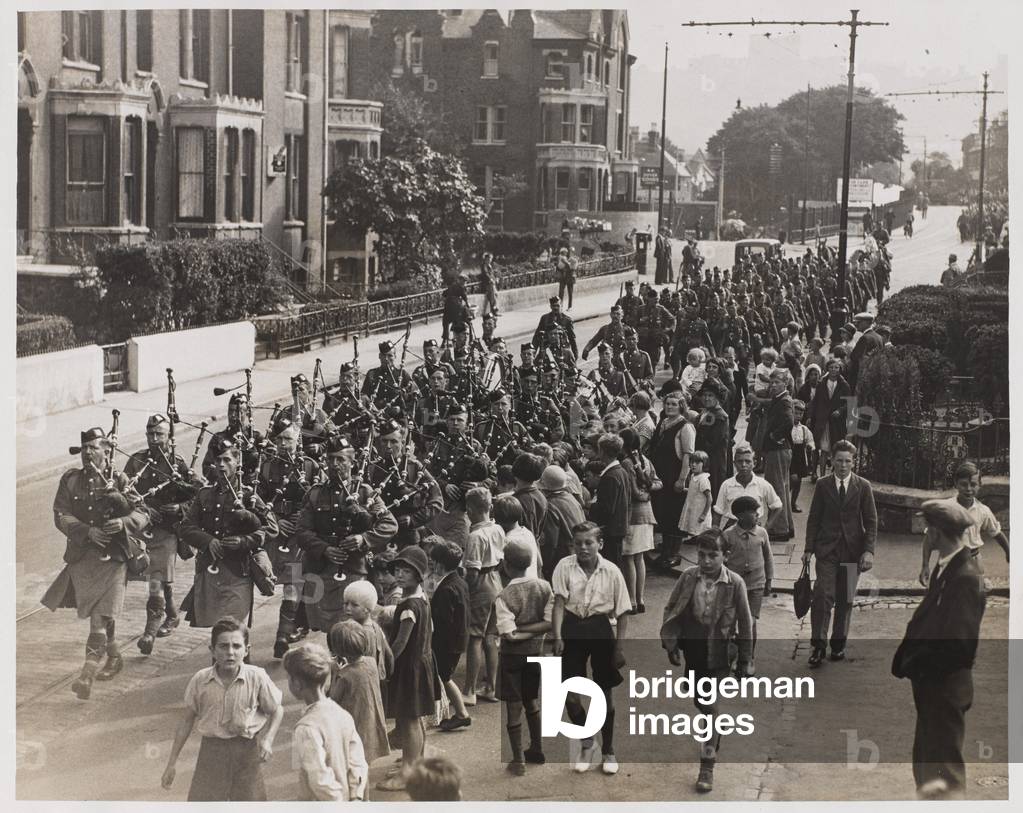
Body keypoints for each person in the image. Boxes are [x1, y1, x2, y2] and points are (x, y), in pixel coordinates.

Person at [43, 427, 151, 699]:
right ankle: (114, 655)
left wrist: (123, 522)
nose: (88, 453)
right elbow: (61, 515)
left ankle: (86, 676)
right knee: (100, 613)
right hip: (83, 557)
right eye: (85, 448)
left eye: (94, 447)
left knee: (98, 619)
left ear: (106, 451)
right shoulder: (70, 480)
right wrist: (86, 531)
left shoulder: (120, 479)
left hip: (115, 559)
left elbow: (143, 513)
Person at [892, 499, 986, 800]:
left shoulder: (965, 578)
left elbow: (959, 647)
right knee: (928, 766)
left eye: (928, 527)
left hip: (944, 687)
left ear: (936, 533)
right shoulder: (947, 568)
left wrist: (918, 665)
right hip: (933, 688)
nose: (925, 533)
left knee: (944, 772)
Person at [660, 529, 753, 792]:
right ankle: (714, 723)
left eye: (713, 555)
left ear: (726, 555)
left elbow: (746, 624)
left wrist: (746, 659)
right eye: (701, 555)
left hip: (722, 651)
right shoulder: (689, 577)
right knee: (700, 701)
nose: (707, 561)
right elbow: (672, 608)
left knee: (710, 706)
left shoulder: (735, 583)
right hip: (694, 649)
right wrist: (671, 644)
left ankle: (707, 764)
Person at [161, 617, 284, 801]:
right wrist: (172, 762)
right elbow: (186, 720)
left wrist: (268, 739)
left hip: (247, 753)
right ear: (212, 650)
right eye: (223, 646)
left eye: (236, 646)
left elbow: (276, 710)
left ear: (246, 649)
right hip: (212, 753)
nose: (230, 653)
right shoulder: (200, 680)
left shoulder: (256, 677)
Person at [552, 522, 631, 776]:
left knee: (603, 693)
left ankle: (608, 750)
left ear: (600, 544)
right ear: (572, 544)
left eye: (589, 542)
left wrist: (618, 648)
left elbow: (623, 613)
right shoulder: (565, 566)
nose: (583, 548)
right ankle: (587, 742)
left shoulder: (612, 571)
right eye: (578, 543)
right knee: (570, 693)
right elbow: (559, 604)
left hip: (600, 630)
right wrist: (557, 635)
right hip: (573, 629)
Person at [178, 441, 279, 633]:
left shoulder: (249, 496)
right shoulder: (204, 495)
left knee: (234, 629)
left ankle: (242, 660)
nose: (222, 465)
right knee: (219, 631)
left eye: (227, 460)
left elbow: (271, 529)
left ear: (237, 462)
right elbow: (186, 527)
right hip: (211, 571)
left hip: (239, 571)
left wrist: (243, 542)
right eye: (218, 460)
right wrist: (208, 541)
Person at [802, 439, 877, 668]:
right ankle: (818, 645)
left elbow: (871, 522)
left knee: (845, 599)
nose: (843, 465)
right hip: (827, 550)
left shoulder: (863, 486)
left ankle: (838, 644)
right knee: (823, 595)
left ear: (853, 463)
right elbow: (814, 518)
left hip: (852, 551)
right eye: (839, 461)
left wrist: (868, 551)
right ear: (831, 461)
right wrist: (808, 549)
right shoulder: (823, 485)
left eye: (847, 461)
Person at [378, 546, 436, 792]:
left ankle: (409, 771)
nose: (400, 575)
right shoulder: (421, 598)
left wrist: (386, 664)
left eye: (407, 571)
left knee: (409, 719)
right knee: (414, 717)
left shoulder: (409, 606)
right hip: (421, 663)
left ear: (418, 575)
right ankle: (416, 760)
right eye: (398, 570)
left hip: (408, 668)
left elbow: (400, 642)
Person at [495, 539, 554, 776]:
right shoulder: (544, 587)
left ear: (506, 566)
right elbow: (550, 622)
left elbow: (508, 633)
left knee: (513, 705)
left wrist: (519, 633)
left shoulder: (504, 595)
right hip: (535, 653)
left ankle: (518, 758)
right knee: (532, 701)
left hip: (511, 658)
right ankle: (537, 749)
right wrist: (534, 630)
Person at [284, 642, 369, 801]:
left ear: (297, 684)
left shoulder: (305, 728)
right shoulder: (342, 714)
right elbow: (358, 762)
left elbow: (318, 779)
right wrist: (355, 797)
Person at [918, 462, 1009, 585]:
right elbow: (929, 539)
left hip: (974, 561)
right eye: (964, 484)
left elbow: (997, 533)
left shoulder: (983, 511)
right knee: (944, 596)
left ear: (979, 485)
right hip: (949, 562)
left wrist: (1008, 552)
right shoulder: (947, 508)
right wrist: (925, 566)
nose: (968, 489)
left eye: (973, 484)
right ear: (955, 484)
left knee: (975, 596)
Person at [462, 486, 505, 706]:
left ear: (470, 509)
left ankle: (469, 689)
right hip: (496, 579)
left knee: (474, 637)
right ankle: (491, 686)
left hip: (481, 584)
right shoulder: (498, 529)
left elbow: (472, 571)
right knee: (490, 636)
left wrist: (464, 591)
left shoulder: (475, 536)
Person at [327, 619, 390, 765]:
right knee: (364, 761)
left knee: (355, 761)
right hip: (371, 718)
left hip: (355, 721)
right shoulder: (371, 662)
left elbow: (333, 699)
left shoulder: (345, 675)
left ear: (338, 649)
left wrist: (335, 672)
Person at [722, 496, 773, 673]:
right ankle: (731, 655)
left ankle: (748, 658)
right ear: (741, 515)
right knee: (731, 621)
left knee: (750, 623)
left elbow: (768, 558)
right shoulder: (728, 535)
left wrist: (769, 580)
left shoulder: (762, 533)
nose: (757, 515)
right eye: (753, 512)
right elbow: (722, 561)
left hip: (756, 586)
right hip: (733, 587)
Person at [429, 541, 472, 732]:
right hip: (458, 638)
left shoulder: (446, 589)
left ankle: (462, 714)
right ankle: (458, 713)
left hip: (447, 642)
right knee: (444, 676)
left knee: (444, 676)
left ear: (439, 564)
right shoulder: (459, 582)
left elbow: (443, 621)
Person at [649, 391, 696, 569]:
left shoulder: (685, 427)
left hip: (674, 475)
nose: (669, 407)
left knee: (674, 515)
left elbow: (687, 455)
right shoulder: (664, 423)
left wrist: (681, 479)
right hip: (661, 475)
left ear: (681, 406)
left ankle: (673, 554)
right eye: (667, 404)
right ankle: (665, 551)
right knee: (663, 514)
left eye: (673, 404)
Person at [619, 428, 660, 613]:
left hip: (632, 515)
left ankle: (632, 600)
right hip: (647, 514)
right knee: (640, 558)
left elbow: (633, 492)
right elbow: (658, 482)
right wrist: (649, 491)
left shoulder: (627, 463)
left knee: (629, 558)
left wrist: (641, 494)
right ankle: (640, 598)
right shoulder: (647, 461)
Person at [758, 369, 795, 541]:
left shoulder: (784, 400)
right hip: (779, 449)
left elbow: (788, 421)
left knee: (776, 487)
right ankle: (786, 526)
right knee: (782, 486)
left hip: (778, 449)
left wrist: (775, 436)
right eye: (771, 382)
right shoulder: (779, 399)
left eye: (776, 382)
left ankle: (779, 529)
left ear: (785, 384)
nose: (772, 385)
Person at [713, 443, 783, 529]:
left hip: (754, 528)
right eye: (739, 461)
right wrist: (715, 532)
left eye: (748, 461)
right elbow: (718, 511)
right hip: (732, 528)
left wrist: (766, 527)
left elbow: (777, 506)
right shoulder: (727, 485)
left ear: (754, 463)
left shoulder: (762, 484)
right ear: (734, 463)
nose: (743, 465)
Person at [588, 433, 633, 567]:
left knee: (609, 566)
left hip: (610, 531)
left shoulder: (610, 476)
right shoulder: (621, 471)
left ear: (602, 451)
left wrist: (591, 506)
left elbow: (606, 509)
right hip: (618, 528)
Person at [538, 464, 586, 579]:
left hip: (563, 560)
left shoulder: (550, 506)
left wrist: (545, 567)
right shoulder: (571, 498)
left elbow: (551, 542)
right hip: (578, 555)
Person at [808, 357, 850, 479]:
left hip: (836, 422)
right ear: (827, 369)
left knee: (834, 449)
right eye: (831, 367)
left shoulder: (844, 385)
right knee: (821, 448)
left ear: (840, 369)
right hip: (822, 420)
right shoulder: (822, 384)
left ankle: (833, 476)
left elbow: (849, 403)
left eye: (836, 367)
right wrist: (811, 416)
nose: (833, 370)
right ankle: (820, 475)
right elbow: (815, 402)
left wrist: (840, 411)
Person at [494, 494, 542, 579]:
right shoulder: (528, 533)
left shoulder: (507, 541)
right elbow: (540, 563)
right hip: (532, 582)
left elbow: (498, 570)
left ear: (498, 520)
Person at [678, 450, 713, 542]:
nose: (693, 465)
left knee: (699, 528)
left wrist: (704, 514)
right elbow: (694, 491)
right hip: (693, 507)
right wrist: (685, 490)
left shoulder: (703, 479)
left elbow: (709, 498)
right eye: (692, 462)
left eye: (697, 462)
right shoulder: (693, 476)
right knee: (693, 526)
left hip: (699, 509)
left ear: (704, 464)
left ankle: (702, 542)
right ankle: (695, 539)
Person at [789, 399, 815, 511]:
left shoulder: (804, 429)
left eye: (801, 414)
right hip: (790, 456)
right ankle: (784, 500)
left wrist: (810, 446)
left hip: (800, 457)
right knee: (792, 479)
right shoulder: (787, 427)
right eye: (796, 413)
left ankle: (793, 503)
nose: (798, 416)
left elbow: (811, 441)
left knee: (798, 481)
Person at [480, 251, 499, 316]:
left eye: (490, 259)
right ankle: (494, 310)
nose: (489, 260)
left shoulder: (490, 265)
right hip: (488, 283)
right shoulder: (484, 266)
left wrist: (495, 278)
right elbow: (486, 274)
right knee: (493, 296)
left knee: (495, 295)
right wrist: (490, 279)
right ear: (485, 259)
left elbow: (493, 273)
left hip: (492, 283)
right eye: (488, 259)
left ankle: (493, 310)